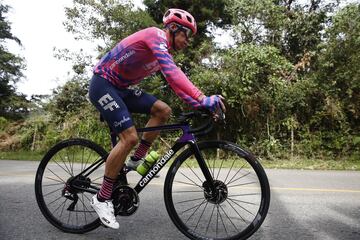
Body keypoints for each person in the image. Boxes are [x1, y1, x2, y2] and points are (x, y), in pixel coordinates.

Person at [88, 8, 225, 229]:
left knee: (163, 111)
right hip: (102, 84)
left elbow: (175, 84)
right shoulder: (156, 36)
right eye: (185, 35)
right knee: (129, 138)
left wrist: (201, 104)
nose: (187, 41)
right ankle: (102, 198)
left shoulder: (162, 53)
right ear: (172, 28)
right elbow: (173, 73)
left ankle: (136, 159)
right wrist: (202, 97)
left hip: (121, 88)